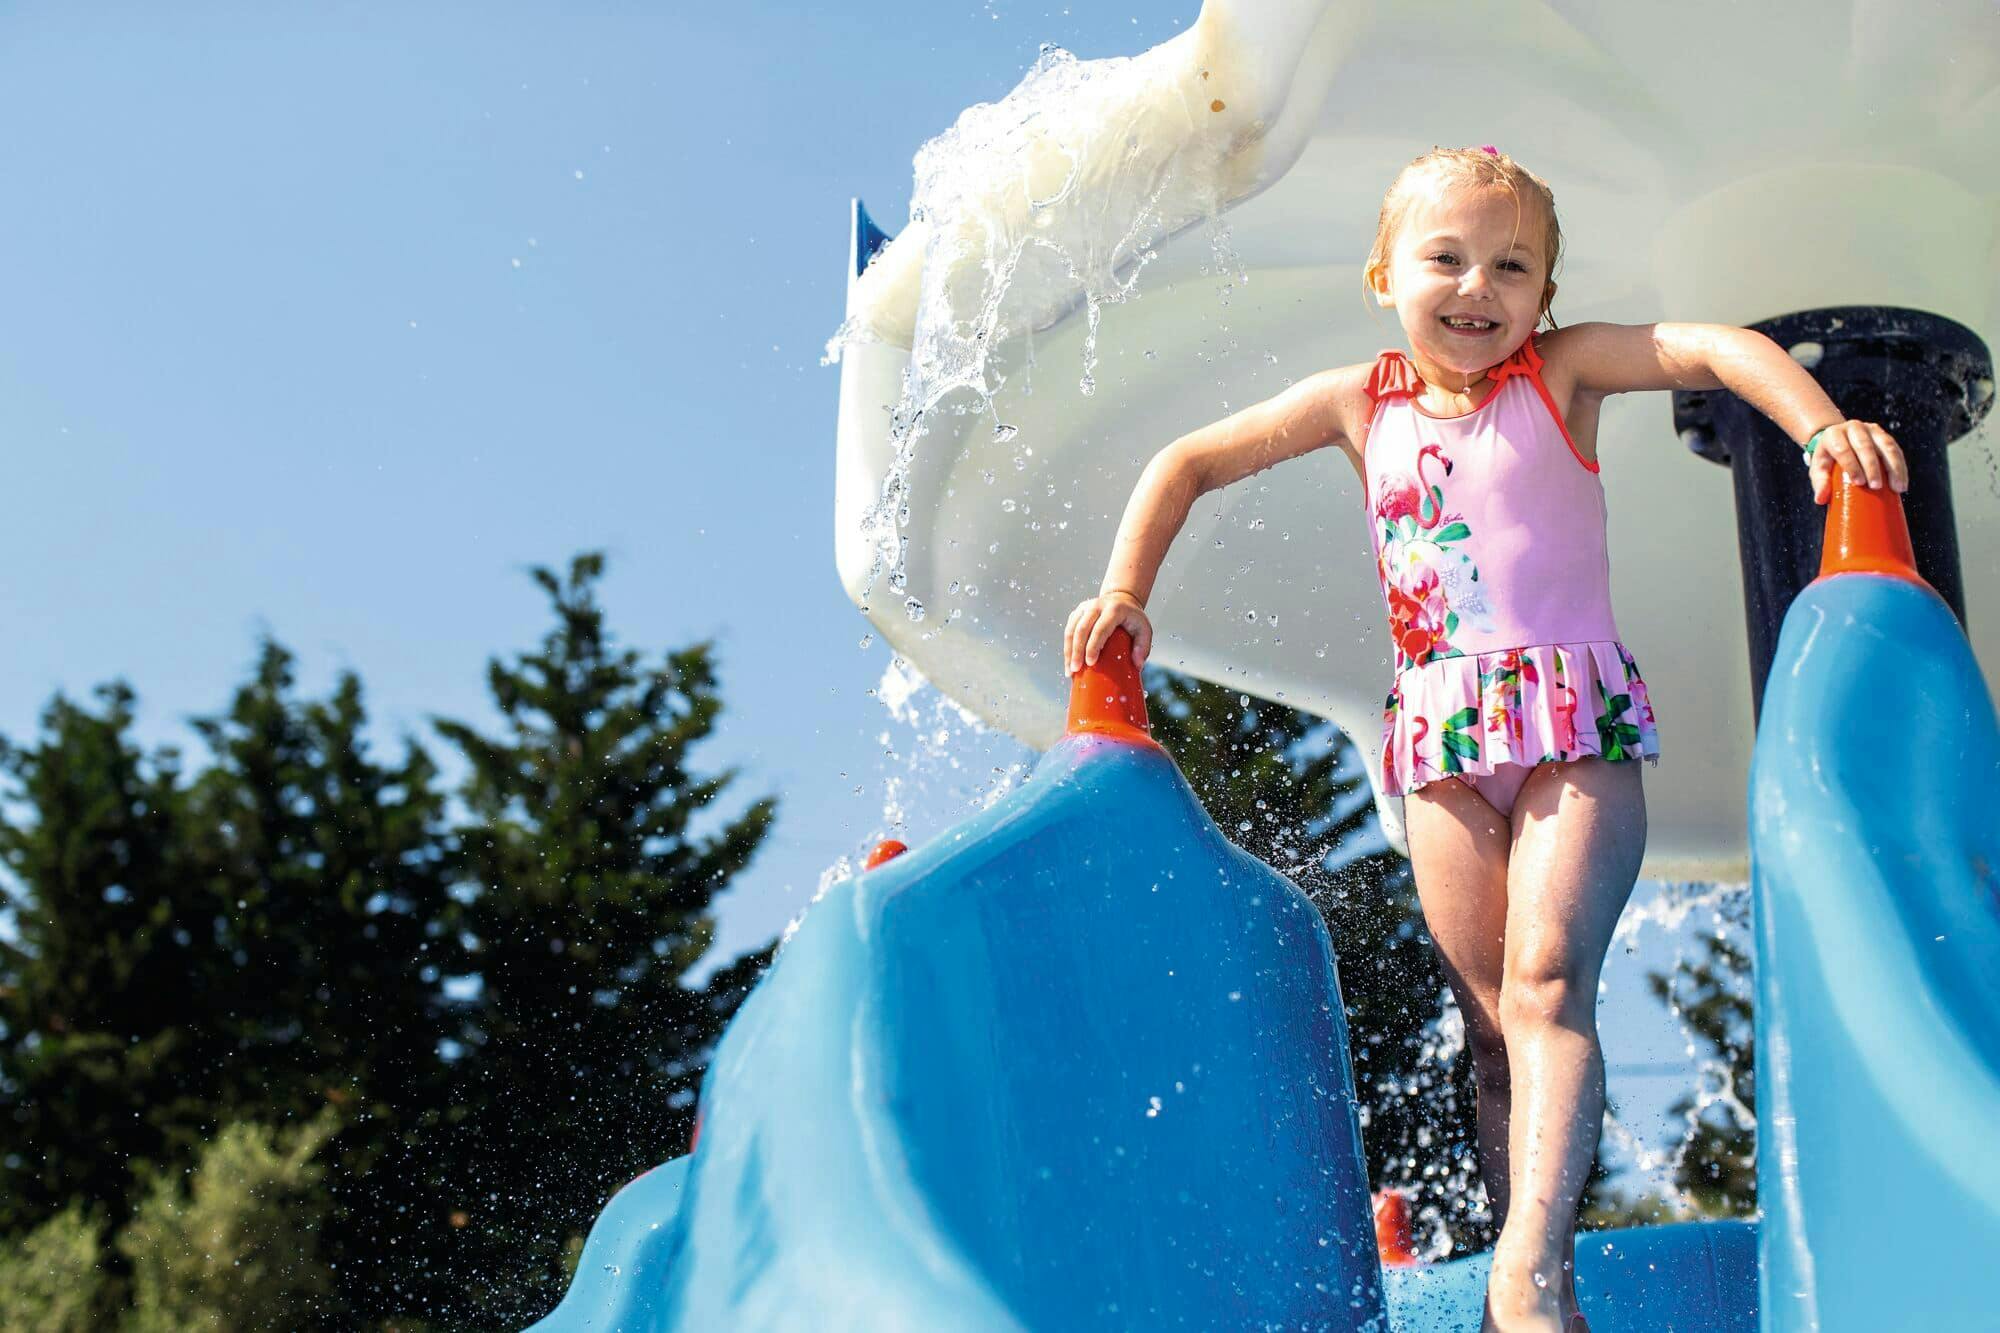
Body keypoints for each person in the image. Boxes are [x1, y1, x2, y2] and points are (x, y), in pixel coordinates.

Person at [1061, 145, 1906, 1333]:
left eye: (1512, 266)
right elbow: (1186, 460)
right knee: (1489, 1031)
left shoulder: (1556, 376)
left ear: (1544, 296)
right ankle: (1524, 1234)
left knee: (1546, 982)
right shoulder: (1356, 403)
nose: (1478, 286)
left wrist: (1818, 429)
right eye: (1445, 258)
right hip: (1441, 742)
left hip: (1571, 720)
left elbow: (1715, 347)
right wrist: (1124, 588)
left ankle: (1531, 1270)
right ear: (1383, 275)